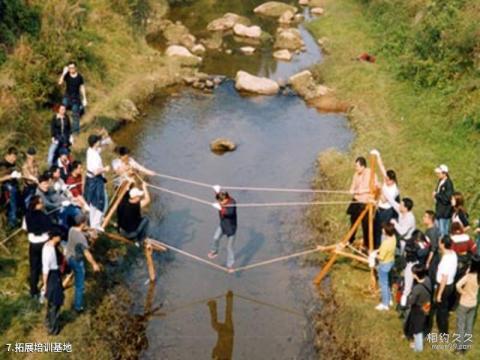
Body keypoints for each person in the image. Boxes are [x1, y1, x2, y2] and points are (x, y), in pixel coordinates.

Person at [66, 214, 100, 313]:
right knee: (80, 285)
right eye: (85, 222)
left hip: (68, 257)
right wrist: (94, 264)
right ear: (82, 223)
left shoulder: (71, 229)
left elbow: (82, 232)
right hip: (76, 260)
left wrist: (90, 231)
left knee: (76, 277)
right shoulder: (81, 239)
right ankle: (78, 306)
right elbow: (87, 253)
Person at [346, 156, 378, 248]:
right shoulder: (355, 175)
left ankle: (367, 244)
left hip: (365, 203)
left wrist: (362, 191)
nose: (356, 168)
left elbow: (375, 188)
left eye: (357, 166)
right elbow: (352, 187)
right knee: (353, 221)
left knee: (365, 224)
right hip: (356, 201)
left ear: (363, 166)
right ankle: (350, 239)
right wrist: (351, 191)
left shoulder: (371, 174)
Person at [25, 196, 53, 301]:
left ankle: (33, 291)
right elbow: (49, 228)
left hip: (33, 244)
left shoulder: (27, 215)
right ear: (36, 204)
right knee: (45, 266)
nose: (42, 204)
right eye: (41, 203)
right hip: (43, 243)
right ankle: (46, 288)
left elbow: (26, 228)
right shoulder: (43, 216)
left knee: (34, 268)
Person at [371, 151, 400, 249]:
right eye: (385, 179)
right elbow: (382, 167)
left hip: (386, 211)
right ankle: (376, 245)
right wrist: (378, 155)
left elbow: (383, 200)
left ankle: (381, 247)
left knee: (383, 229)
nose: (386, 181)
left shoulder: (394, 189)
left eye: (388, 180)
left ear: (392, 180)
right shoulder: (386, 180)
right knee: (376, 227)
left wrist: (380, 188)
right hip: (379, 208)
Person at [84, 134, 110, 231]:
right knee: (99, 201)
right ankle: (95, 225)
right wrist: (105, 169)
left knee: (93, 202)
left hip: (92, 179)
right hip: (95, 179)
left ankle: (94, 222)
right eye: (98, 141)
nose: (99, 143)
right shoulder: (93, 155)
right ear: (95, 143)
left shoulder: (90, 150)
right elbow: (95, 171)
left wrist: (105, 139)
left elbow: (100, 148)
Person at [42, 228, 65, 335]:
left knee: (51, 301)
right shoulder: (50, 251)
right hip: (52, 275)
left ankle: (48, 321)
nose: (60, 238)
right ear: (55, 237)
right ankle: (53, 328)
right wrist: (45, 284)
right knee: (55, 302)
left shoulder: (48, 245)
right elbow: (45, 269)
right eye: (59, 236)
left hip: (54, 274)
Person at [404, 264, 432, 352]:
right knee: (421, 323)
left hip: (418, 308)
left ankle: (418, 348)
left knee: (417, 328)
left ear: (416, 275)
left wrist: (407, 300)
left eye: (413, 273)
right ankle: (416, 342)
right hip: (426, 305)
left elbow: (411, 301)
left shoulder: (417, 288)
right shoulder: (427, 279)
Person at [455, 255, 479, 353]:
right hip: (473, 303)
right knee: (469, 325)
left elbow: (457, 285)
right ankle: (466, 345)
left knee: (461, 326)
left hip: (464, 303)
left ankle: (459, 348)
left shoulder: (468, 276)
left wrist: (462, 292)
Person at [208, 190, 237, 271]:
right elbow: (221, 196)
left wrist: (221, 208)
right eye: (219, 201)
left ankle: (230, 266)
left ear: (226, 199)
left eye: (221, 201)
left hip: (231, 228)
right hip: (223, 225)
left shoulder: (232, 202)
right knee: (215, 238)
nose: (220, 202)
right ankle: (214, 251)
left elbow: (230, 213)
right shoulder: (223, 198)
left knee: (229, 248)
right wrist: (217, 191)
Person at [435, 236, 457, 335]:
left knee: (442, 310)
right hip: (450, 284)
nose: (438, 243)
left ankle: (443, 332)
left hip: (444, 286)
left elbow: (444, 278)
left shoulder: (446, 260)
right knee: (444, 307)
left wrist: (439, 294)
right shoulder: (453, 254)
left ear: (443, 244)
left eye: (440, 242)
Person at [58, 62, 87, 134]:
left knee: (75, 115)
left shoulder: (79, 77)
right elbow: (60, 83)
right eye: (70, 68)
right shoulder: (67, 75)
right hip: (67, 97)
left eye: (72, 68)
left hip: (76, 98)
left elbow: (82, 87)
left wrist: (84, 98)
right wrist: (64, 72)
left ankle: (75, 132)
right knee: (61, 112)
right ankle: (62, 129)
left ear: (75, 68)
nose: (71, 69)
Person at [375, 223, 396, 311]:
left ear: (386, 231)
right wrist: (377, 250)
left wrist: (373, 255)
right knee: (387, 282)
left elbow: (381, 257)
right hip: (391, 261)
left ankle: (385, 304)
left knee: (383, 284)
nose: (382, 230)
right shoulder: (393, 238)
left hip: (384, 265)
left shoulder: (385, 243)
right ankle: (389, 299)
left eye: (383, 229)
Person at [208, 290, 234, 360]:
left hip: (229, 332)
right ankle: (212, 304)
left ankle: (229, 297)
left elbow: (216, 350)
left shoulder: (228, 356)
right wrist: (213, 355)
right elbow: (215, 350)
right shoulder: (222, 355)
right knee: (214, 323)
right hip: (224, 333)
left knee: (228, 314)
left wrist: (214, 355)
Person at [0, 147, 22, 228]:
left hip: (14, 187)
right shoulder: (1, 164)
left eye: (15, 157)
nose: (14, 159)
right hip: (5, 189)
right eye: (13, 157)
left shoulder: (13, 164)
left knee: (16, 204)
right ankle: (12, 223)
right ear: (8, 155)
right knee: (12, 205)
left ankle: (14, 219)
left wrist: (18, 175)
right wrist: (9, 176)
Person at [433, 164, 454, 237]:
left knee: (443, 232)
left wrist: (436, 195)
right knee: (438, 231)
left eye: (439, 173)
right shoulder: (440, 181)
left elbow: (447, 198)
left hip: (444, 213)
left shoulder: (448, 184)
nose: (437, 175)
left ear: (444, 173)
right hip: (439, 211)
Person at [424, 210, 441, 281]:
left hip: (432, 259)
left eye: (425, 216)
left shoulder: (432, 232)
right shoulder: (432, 228)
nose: (423, 218)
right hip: (432, 256)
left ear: (430, 219)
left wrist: (428, 262)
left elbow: (433, 249)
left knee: (431, 277)